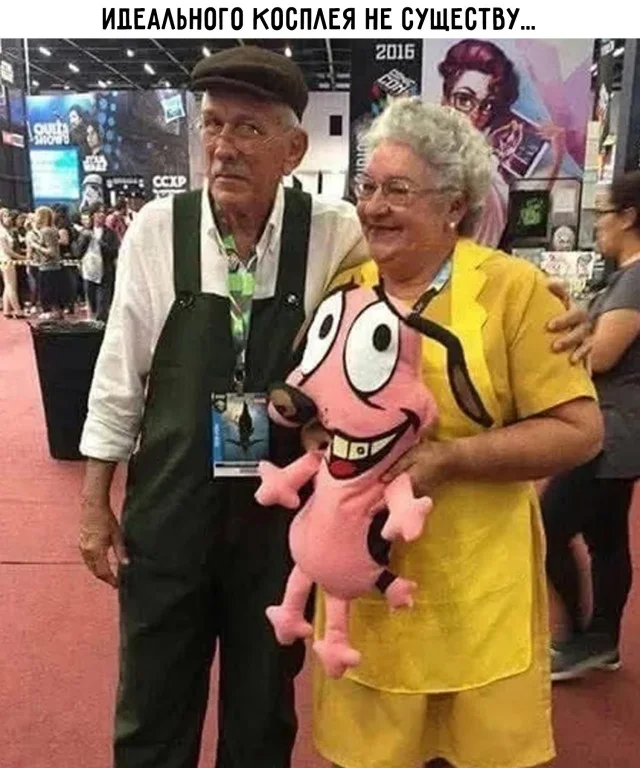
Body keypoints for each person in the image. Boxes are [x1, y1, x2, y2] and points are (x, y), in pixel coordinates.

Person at [77, 48, 592, 768]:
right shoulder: (157, 230)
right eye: (213, 124)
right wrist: (94, 502)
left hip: (280, 521)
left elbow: (438, 256)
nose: (224, 146)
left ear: (294, 149)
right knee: (152, 704)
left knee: (263, 708)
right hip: (171, 504)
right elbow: (118, 378)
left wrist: (556, 299)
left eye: (249, 129)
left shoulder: (336, 231)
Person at [309, 99, 603, 768]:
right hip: (370, 595)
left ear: (454, 205)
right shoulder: (346, 287)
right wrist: (317, 444)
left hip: (477, 592)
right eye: (368, 187)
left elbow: (579, 431)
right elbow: (311, 404)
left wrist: (452, 459)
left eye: (398, 190)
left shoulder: (515, 291)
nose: (374, 207)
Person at [543, 171, 640, 681]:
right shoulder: (622, 278)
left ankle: (584, 638)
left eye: (604, 213)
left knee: (548, 528)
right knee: (606, 538)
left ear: (628, 217)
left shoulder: (635, 278)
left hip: (609, 431)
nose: (598, 223)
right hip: (616, 429)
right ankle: (599, 640)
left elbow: (600, 355)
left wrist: (564, 336)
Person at [438, 40, 565, 248]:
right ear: (445, 99)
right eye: (464, 99)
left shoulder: (492, 172)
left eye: (487, 105)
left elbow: (527, 217)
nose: (475, 114)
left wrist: (557, 155)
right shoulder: (427, 161)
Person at [73, 205, 119, 321]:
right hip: (89, 270)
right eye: (98, 213)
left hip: (105, 270)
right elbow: (77, 252)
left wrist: (100, 243)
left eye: (103, 213)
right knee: (91, 298)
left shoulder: (110, 233)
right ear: (92, 215)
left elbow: (114, 251)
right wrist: (84, 239)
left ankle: (101, 322)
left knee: (103, 301)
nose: (101, 215)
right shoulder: (85, 233)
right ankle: (92, 320)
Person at [31, 206, 64, 319]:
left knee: (48, 292)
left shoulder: (46, 231)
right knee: (54, 292)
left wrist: (36, 246)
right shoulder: (52, 230)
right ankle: (56, 312)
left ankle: (50, 313)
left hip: (48, 266)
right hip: (52, 266)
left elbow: (51, 252)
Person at [0, 207, 24, 318]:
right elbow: (7, 250)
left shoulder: (4, 230)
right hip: (6, 260)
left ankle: (7, 310)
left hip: (4, 260)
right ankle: (18, 310)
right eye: (5, 216)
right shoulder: (1, 231)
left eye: (9, 215)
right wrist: (23, 257)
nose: (9, 218)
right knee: (11, 286)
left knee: (7, 285)